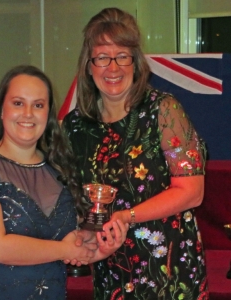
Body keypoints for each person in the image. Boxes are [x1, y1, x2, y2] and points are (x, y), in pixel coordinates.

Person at [62, 7, 209, 300]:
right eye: (102, 57)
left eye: (122, 56)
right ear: (89, 66)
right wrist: (83, 237)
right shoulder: (74, 126)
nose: (113, 68)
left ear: (136, 62)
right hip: (110, 267)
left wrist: (126, 216)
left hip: (167, 268)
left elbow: (193, 192)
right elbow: (71, 198)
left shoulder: (164, 111)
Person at [0, 65, 128, 299]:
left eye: (38, 105)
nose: (28, 113)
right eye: (18, 103)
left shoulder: (59, 171)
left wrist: (101, 249)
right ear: (1, 111)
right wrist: (64, 249)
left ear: (47, 115)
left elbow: (71, 246)